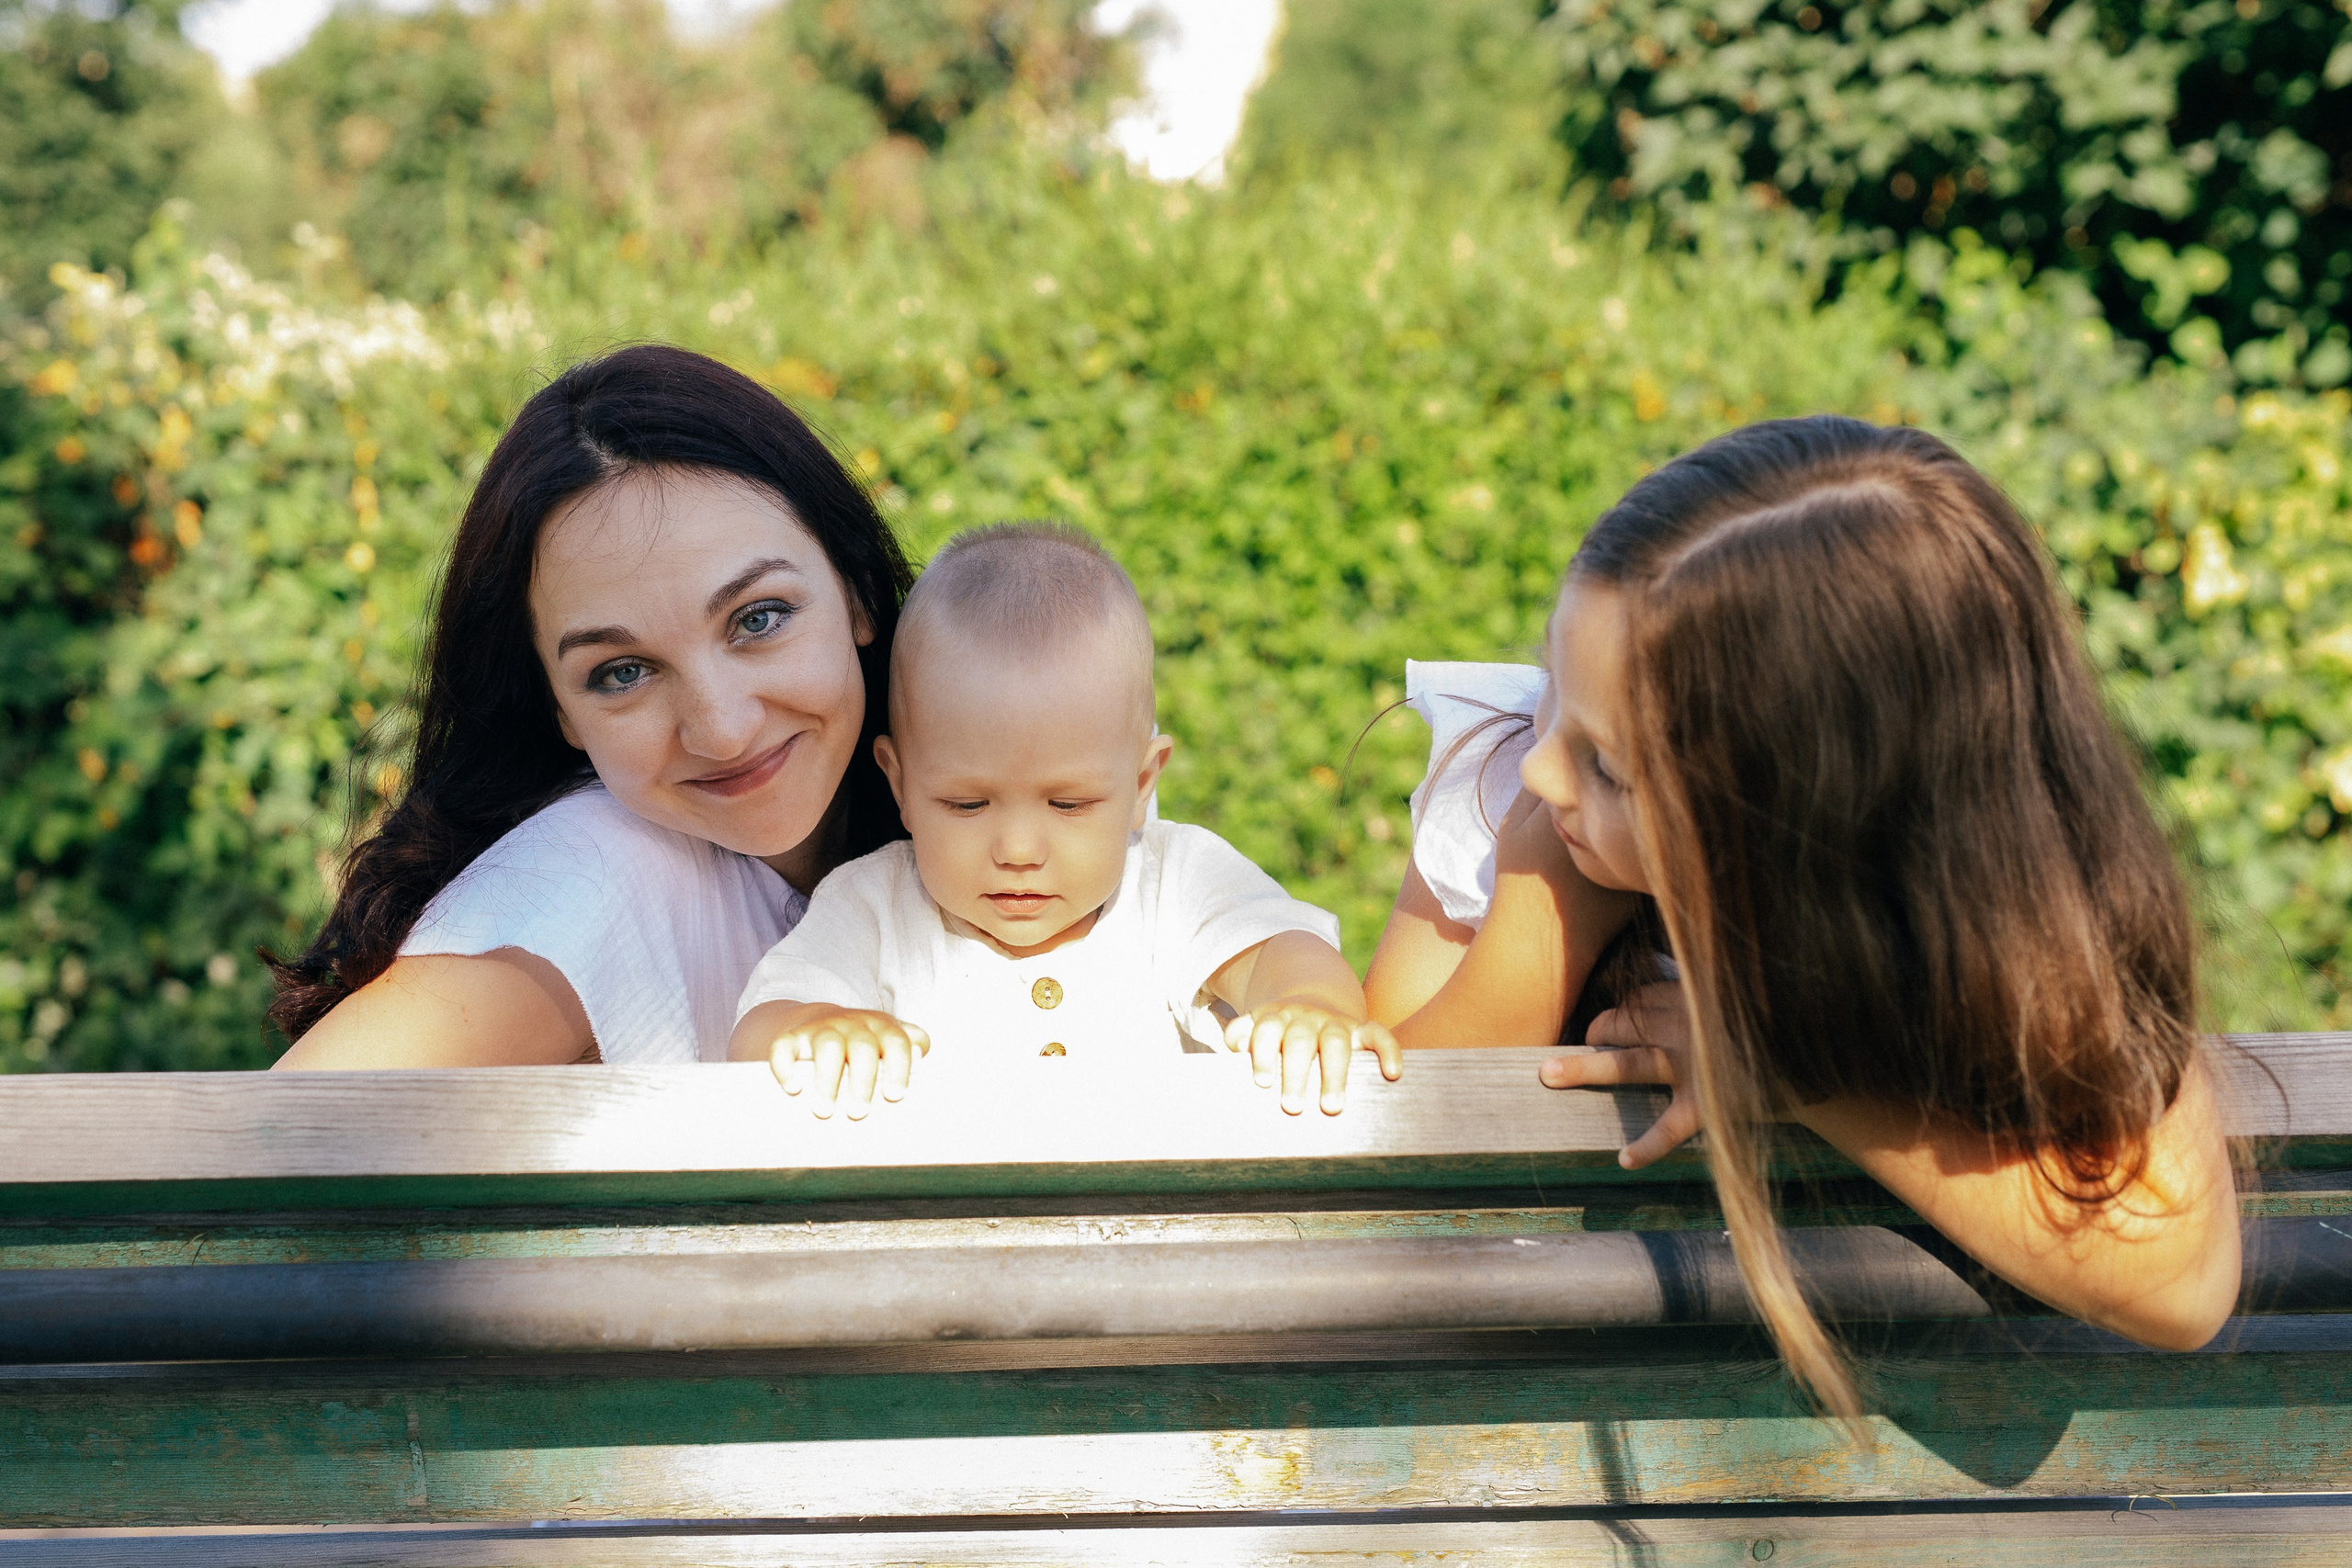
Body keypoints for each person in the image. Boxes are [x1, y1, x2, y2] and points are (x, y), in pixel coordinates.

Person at [1364, 415, 2241, 1418]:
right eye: (1552, 690)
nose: (1539, 765)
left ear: (1806, 826)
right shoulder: (1504, 800)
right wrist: (1537, 908)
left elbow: (2177, 1280)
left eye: (1608, 765)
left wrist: (1781, 1072)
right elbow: (1372, 1165)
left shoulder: (2030, 918)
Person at [269, 344, 912, 1094]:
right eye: (623, 672)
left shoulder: (981, 815)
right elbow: (259, 1151)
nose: (722, 729)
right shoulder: (597, 869)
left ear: (858, 592)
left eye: (758, 618)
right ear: (558, 708)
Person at [730, 523, 1400, 1115]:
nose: (1019, 848)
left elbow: (1280, 953)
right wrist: (819, 1024)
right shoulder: (874, 906)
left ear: (1142, 782)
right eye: (967, 804)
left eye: (1068, 804)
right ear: (899, 782)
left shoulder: (1172, 880)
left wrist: (1309, 1007)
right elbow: (765, 1027)